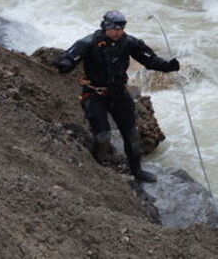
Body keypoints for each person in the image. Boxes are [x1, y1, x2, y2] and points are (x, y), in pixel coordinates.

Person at [56, 10, 180, 182]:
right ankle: (99, 165)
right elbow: (71, 57)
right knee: (103, 136)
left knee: (132, 135)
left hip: (119, 94)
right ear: (105, 27)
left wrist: (167, 66)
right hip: (94, 94)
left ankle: (137, 171)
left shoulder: (129, 42)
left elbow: (149, 59)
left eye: (121, 28)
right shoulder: (88, 42)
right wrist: (65, 64)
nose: (118, 31)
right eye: (114, 28)